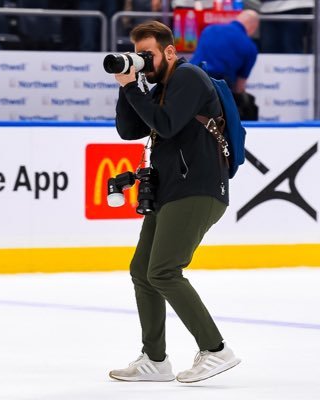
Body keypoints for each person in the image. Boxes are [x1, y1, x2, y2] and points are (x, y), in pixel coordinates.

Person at [109, 20, 241, 383]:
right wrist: (129, 86)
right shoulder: (160, 88)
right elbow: (129, 130)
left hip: (197, 189)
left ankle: (216, 350)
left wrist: (135, 91)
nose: (143, 62)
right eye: (138, 55)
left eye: (147, 55)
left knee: (163, 271)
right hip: (171, 192)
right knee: (142, 271)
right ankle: (154, 359)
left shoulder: (188, 78)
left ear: (169, 51)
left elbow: (165, 126)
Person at [190, 10, 260, 120]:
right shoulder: (250, 47)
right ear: (253, 27)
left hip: (190, 80)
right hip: (218, 90)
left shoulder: (209, 30)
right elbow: (239, 87)